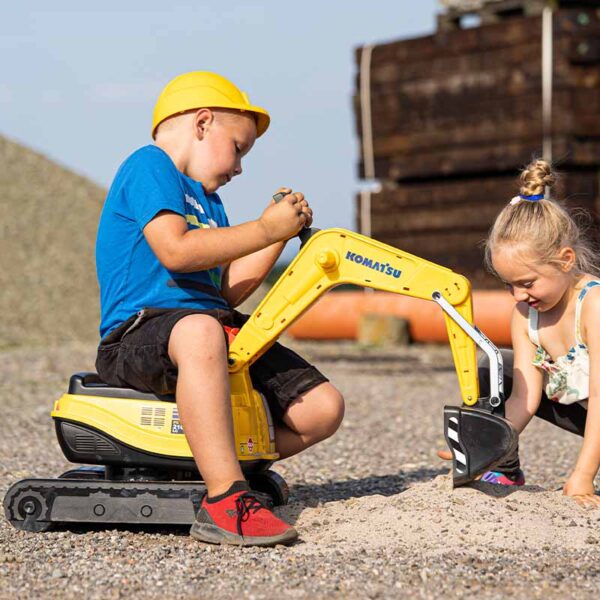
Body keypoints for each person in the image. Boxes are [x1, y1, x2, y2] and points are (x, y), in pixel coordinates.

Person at [94, 71, 345, 545]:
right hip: (139, 332)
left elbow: (222, 293)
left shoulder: (211, 204)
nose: (240, 168)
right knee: (200, 331)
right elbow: (176, 251)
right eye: (239, 148)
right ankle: (226, 496)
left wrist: (278, 240)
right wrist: (265, 229)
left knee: (321, 409)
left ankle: (220, 459)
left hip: (207, 324)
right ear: (203, 123)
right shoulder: (150, 167)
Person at [443, 158, 600, 507]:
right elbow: (522, 399)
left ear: (566, 260)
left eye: (527, 283)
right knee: (493, 367)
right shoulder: (525, 312)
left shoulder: (594, 305)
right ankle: (505, 468)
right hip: (583, 408)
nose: (518, 296)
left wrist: (583, 476)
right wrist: (484, 446)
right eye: (509, 285)